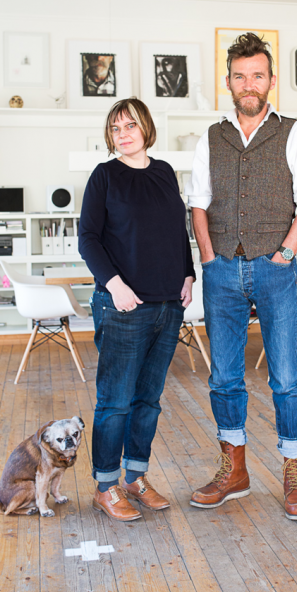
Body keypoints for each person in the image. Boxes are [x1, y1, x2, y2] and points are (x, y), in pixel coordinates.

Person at [187, 33, 297, 520]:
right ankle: (235, 471)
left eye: (257, 75)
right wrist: (208, 258)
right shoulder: (211, 137)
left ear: (271, 80)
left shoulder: (294, 133)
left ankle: (294, 474)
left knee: (285, 377)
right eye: (240, 76)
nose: (249, 84)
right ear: (228, 82)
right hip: (221, 270)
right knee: (224, 377)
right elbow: (198, 204)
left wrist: (285, 254)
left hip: (275, 270)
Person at [79, 97, 195, 522]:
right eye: (115, 128)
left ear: (146, 127)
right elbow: (88, 238)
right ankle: (105, 486)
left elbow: (178, 231)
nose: (123, 133)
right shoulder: (105, 176)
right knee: (116, 401)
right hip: (123, 306)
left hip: (168, 305)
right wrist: (115, 285)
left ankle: (135, 478)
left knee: (148, 400)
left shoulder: (164, 172)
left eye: (130, 125)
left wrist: (188, 274)